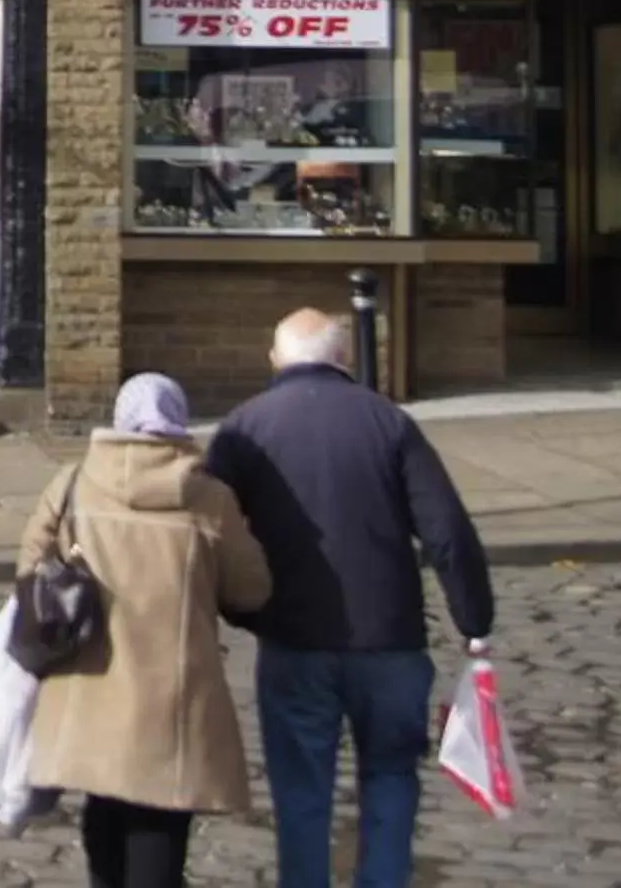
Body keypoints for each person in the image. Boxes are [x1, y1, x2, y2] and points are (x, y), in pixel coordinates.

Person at [205, 308, 495, 888]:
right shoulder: (388, 421)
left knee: (301, 794)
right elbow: (446, 531)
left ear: (274, 360)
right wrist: (475, 621)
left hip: (293, 641)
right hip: (390, 641)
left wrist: (238, 611)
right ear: (344, 359)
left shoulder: (243, 428)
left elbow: (212, 534)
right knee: (390, 781)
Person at [17, 374, 270, 888]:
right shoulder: (210, 499)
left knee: (103, 806)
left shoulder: (73, 483)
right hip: (173, 698)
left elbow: (28, 574)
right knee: (160, 819)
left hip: (89, 686)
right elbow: (252, 590)